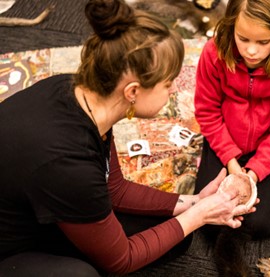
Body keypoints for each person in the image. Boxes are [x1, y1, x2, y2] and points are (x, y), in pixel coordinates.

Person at [0, 0, 255, 276]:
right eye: (168, 83)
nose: (173, 92)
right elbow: (121, 261)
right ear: (133, 91)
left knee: (176, 236)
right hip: (8, 249)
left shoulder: (79, 94)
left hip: (36, 208)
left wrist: (193, 202)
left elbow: (115, 189)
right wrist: (201, 215)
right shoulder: (69, 164)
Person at [193, 0, 270, 240]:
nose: (251, 51)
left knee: (263, 225)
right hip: (223, 139)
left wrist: (254, 172)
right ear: (231, 26)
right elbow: (207, 112)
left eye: (263, 42)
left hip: (269, 147)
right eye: (243, 39)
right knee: (206, 219)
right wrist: (232, 162)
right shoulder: (213, 53)